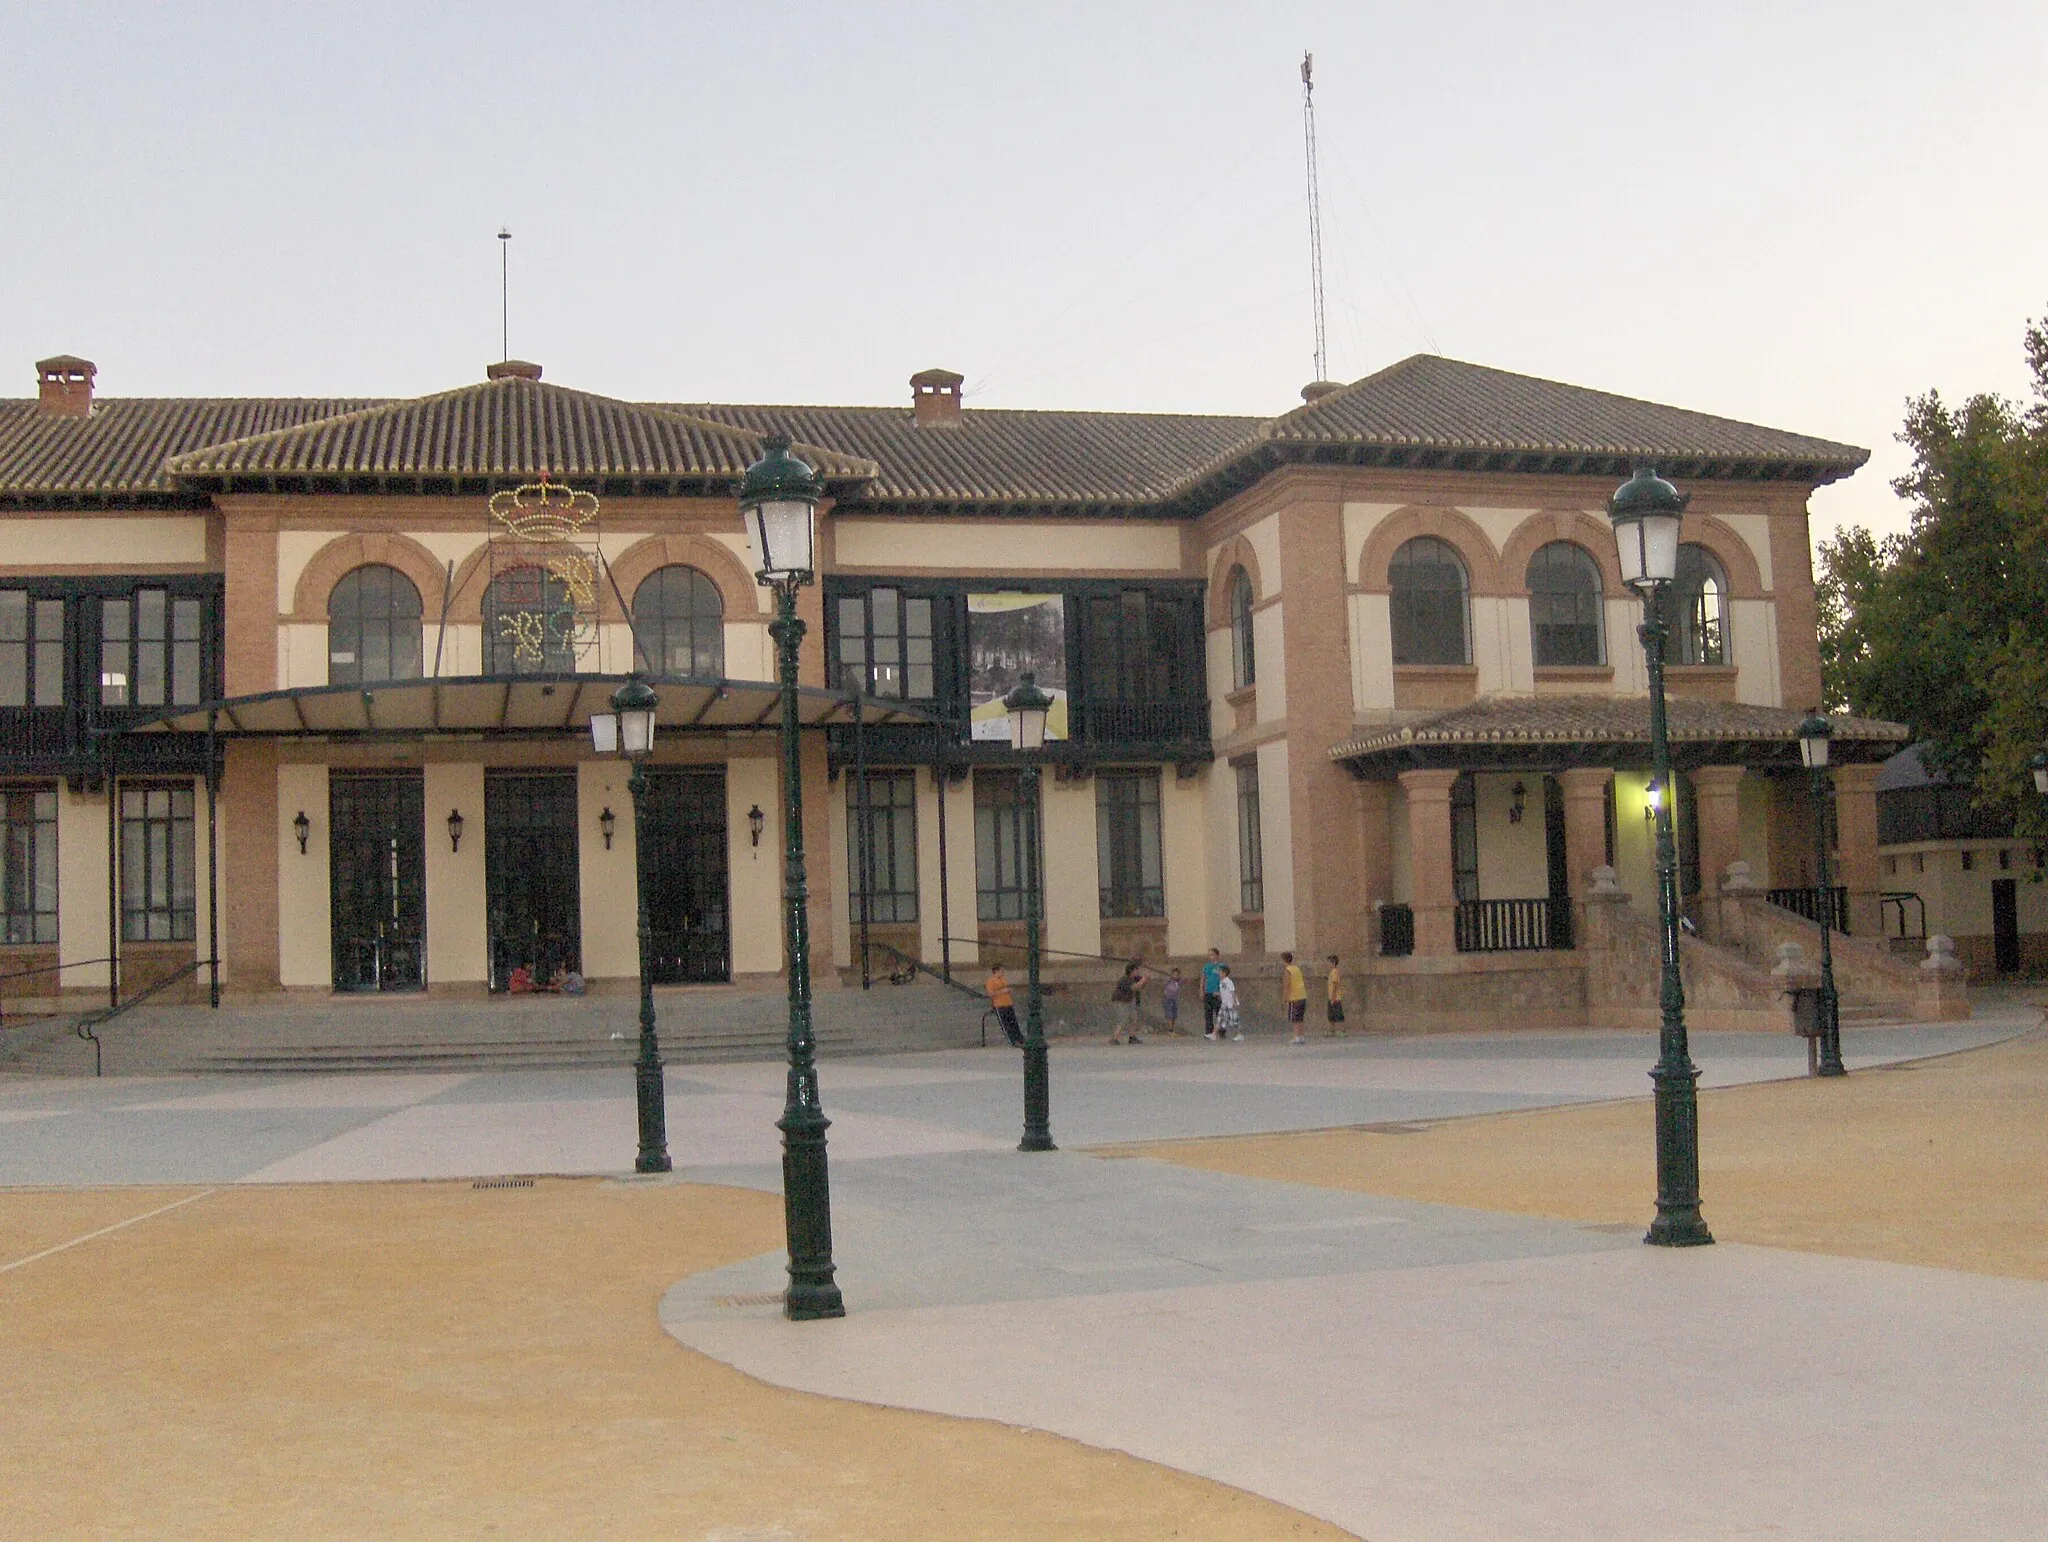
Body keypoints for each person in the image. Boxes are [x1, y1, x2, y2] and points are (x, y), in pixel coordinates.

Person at [986, 962, 1025, 1047]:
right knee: (1006, 1024)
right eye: (1001, 971)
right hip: (999, 1005)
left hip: (1008, 1003)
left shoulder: (1003, 979)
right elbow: (990, 994)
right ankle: (1012, 1041)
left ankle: (1020, 1038)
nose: (1002, 972)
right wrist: (1001, 991)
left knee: (1013, 1022)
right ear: (996, 971)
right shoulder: (991, 981)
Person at [1109, 959, 1148, 1045]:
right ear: (1131, 971)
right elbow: (1134, 987)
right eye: (1136, 970)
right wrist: (1143, 980)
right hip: (1121, 1001)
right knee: (1123, 1020)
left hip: (1129, 1001)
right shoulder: (1125, 979)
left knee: (1133, 1018)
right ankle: (1114, 1038)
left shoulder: (1135, 978)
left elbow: (1141, 986)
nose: (1138, 971)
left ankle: (1132, 1037)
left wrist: (1145, 980)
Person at [1281, 950, 1308, 1045]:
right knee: (1300, 1017)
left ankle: (1296, 1036)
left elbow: (1287, 985)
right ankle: (1301, 1036)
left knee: (1295, 1018)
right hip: (1302, 995)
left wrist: (1285, 999)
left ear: (1284, 960)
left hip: (1294, 996)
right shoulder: (1296, 968)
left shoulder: (1288, 970)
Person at [1200, 947, 1224, 1038]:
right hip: (1208, 992)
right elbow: (1203, 978)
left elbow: (1224, 979)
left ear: (1217, 955)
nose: (1210, 957)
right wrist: (1201, 989)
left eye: (1212, 954)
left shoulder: (1221, 966)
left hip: (1217, 992)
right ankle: (1209, 1031)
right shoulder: (1207, 966)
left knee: (1219, 1013)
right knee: (1208, 1013)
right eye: (1209, 955)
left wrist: (1222, 992)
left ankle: (1221, 1031)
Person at [1215, 963, 1242, 1041]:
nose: (1219, 973)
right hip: (1224, 1004)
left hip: (1230, 1004)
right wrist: (1219, 994)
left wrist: (1234, 1002)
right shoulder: (1221, 981)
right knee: (1220, 1018)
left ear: (1224, 973)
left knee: (1234, 1019)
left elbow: (1232, 992)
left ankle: (1239, 1034)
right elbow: (1224, 992)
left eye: (1220, 972)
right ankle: (1214, 1034)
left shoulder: (1228, 981)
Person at [1324, 954, 1346, 1035]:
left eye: (1329, 962)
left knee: (1338, 1014)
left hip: (1335, 997)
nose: (1327, 965)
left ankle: (1342, 1030)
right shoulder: (1332, 972)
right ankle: (1332, 1030)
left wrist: (1333, 998)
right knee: (1331, 1014)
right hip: (1331, 997)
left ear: (1333, 963)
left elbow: (1335, 984)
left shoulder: (1334, 971)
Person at [1162, 967, 1184, 1035]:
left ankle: (1172, 1028)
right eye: (1174, 974)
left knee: (1174, 1015)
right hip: (1168, 999)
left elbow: (1182, 982)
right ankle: (1170, 1030)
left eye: (1177, 975)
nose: (1175, 976)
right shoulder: (1169, 980)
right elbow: (1164, 985)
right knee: (1170, 1014)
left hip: (1175, 999)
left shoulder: (1179, 982)